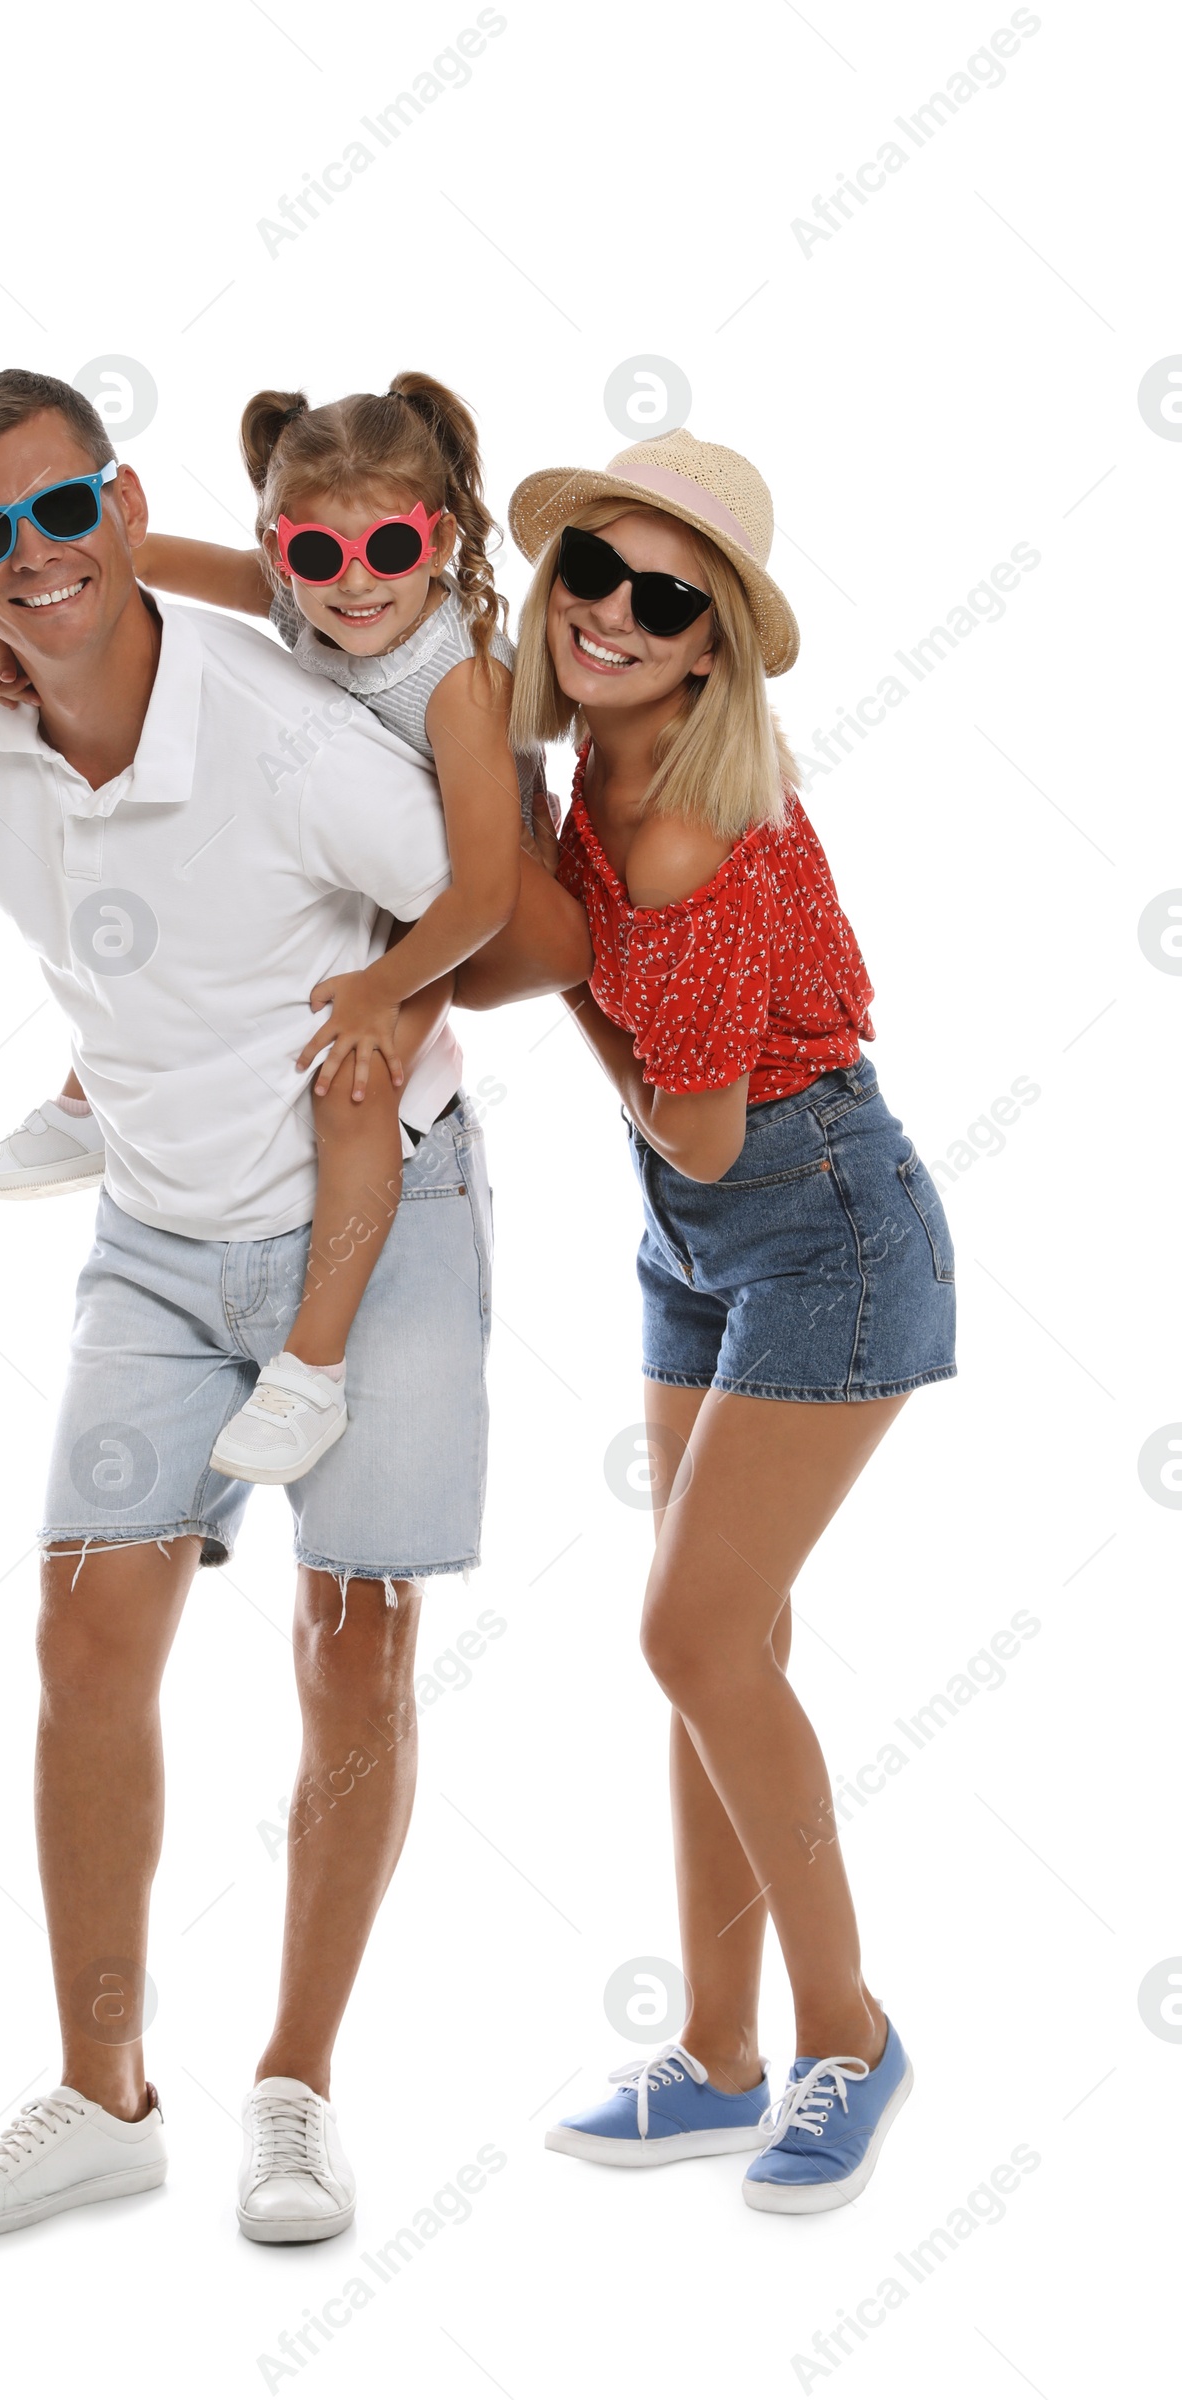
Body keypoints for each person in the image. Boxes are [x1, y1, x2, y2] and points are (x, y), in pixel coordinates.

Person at [0, 368, 589, 2246]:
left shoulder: (302, 733)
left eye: (62, 514)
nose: (29, 558)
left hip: (386, 1216)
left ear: (117, 507)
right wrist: (112, 1077)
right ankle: (102, 2097)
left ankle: (295, 2090)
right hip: (161, 1235)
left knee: (352, 1647)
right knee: (85, 1631)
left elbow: (521, 927)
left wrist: (387, 1010)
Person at [514, 430, 955, 2212]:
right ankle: (714, 2057)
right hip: (693, 1239)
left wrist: (560, 982)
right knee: (725, 1654)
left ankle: (848, 2038)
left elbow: (689, 1113)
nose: (611, 612)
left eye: (663, 595)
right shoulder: (594, 766)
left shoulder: (684, 828)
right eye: (589, 577)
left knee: (691, 1643)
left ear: (712, 644)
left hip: (822, 1224)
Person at [0, 373, 548, 1488]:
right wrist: (25, 635)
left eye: (388, 548)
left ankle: (311, 1371)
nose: (356, 584)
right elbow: (129, 563)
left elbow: (483, 896)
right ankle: (93, 1106)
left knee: (356, 1083)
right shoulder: (298, 595)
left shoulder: (456, 678)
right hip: (353, 865)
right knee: (173, 897)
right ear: (282, 553)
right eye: (317, 558)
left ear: (438, 536)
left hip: (452, 903)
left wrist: (384, 994)